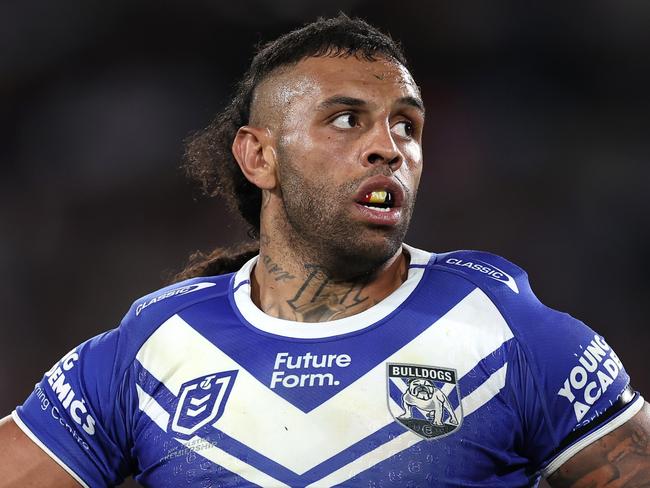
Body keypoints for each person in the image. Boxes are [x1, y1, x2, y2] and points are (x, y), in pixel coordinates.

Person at [0, 14, 648, 488]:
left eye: (408, 126)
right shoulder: (154, 345)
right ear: (259, 156)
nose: (389, 148)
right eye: (346, 119)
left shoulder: (504, 330)